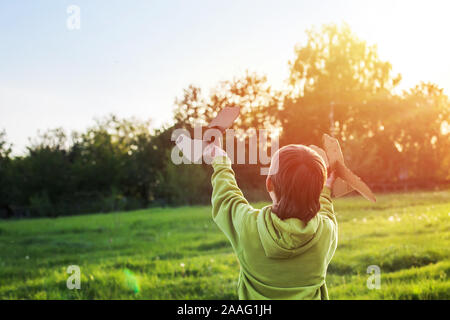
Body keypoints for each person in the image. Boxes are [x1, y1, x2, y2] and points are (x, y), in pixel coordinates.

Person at [203, 141, 337, 300]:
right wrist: (326, 188)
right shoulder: (326, 231)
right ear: (319, 189)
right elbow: (326, 211)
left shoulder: (248, 225)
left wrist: (221, 160)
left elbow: (226, 198)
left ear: (269, 183)